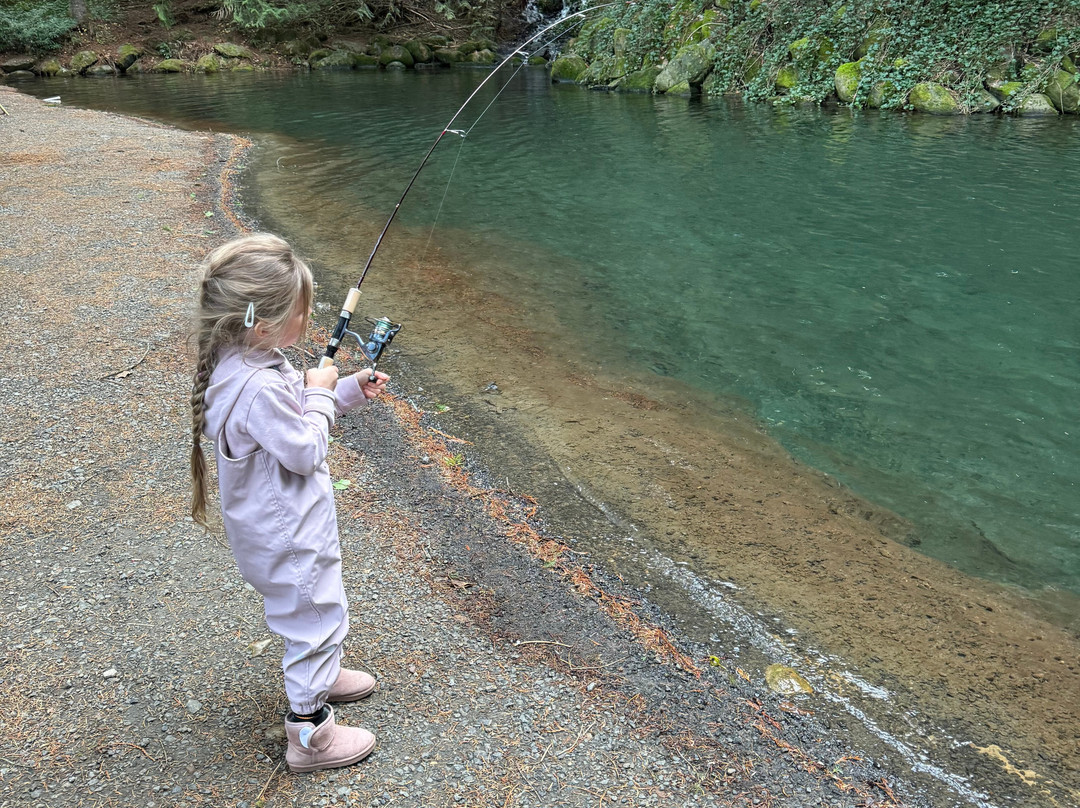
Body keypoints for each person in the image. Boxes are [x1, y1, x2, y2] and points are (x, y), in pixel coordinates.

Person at [188, 233, 389, 772]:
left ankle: (321, 674)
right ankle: (309, 734)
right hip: (289, 535)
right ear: (262, 323)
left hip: (277, 529)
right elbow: (302, 449)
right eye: (302, 310)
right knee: (315, 618)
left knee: (315, 608)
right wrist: (321, 393)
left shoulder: (242, 362)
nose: (309, 318)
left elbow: (286, 413)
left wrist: (342, 389)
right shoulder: (257, 385)